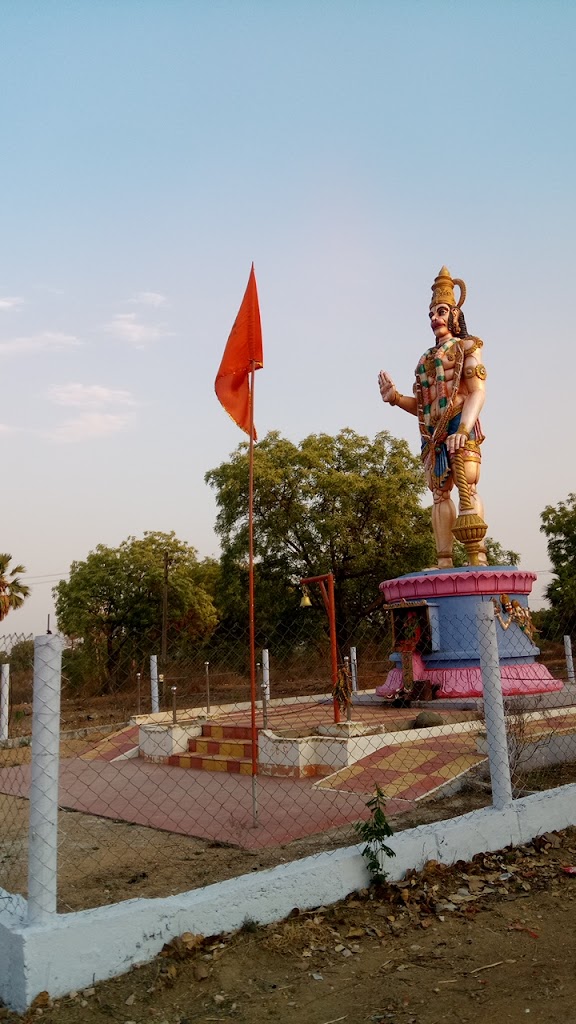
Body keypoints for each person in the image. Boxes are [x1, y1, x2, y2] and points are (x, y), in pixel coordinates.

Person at [379, 266, 487, 568]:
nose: (434, 319)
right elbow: (425, 406)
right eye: (431, 314)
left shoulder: (467, 348)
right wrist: (397, 399)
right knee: (440, 496)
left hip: (458, 425)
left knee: (470, 486)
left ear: (454, 315)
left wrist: (463, 430)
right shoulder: (426, 360)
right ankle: (444, 561)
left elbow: (477, 392)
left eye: (441, 312)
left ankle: (477, 557)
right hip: (433, 434)